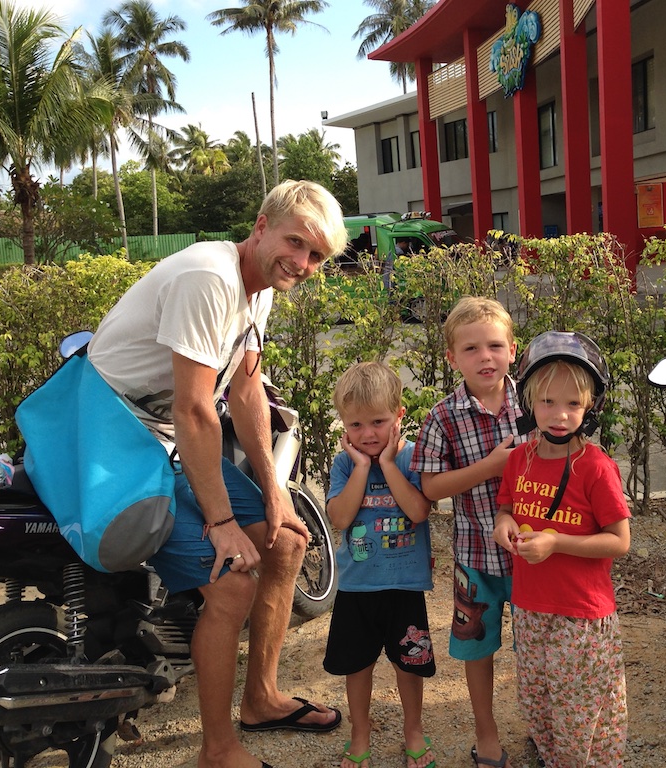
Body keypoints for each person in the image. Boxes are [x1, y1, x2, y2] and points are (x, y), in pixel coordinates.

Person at [86, 180, 348, 768]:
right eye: (295, 243)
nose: (303, 263)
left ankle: (260, 698)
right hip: (113, 443)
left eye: (317, 256)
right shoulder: (209, 276)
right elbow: (195, 409)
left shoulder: (260, 287)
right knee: (232, 580)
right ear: (260, 226)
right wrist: (223, 522)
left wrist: (274, 491)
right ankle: (218, 749)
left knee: (287, 543)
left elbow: (247, 386)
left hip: (163, 442)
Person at [493, 331, 630, 766]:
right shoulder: (520, 459)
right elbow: (505, 510)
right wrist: (505, 527)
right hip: (530, 609)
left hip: (580, 615)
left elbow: (619, 540)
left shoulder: (596, 467)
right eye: (548, 402)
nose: (559, 415)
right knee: (539, 702)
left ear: (591, 407)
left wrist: (556, 543)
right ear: (529, 402)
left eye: (573, 404)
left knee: (580, 714)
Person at [410, 296, 528, 768]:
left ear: (513, 350)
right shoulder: (442, 416)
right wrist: (490, 466)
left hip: (535, 557)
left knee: (538, 647)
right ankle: (487, 731)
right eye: (472, 348)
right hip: (476, 556)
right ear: (451, 358)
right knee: (477, 649)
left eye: (495, 345)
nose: (486, 357)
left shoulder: (538, 403)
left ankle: (542, 724)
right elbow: (432, 486)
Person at [323, 362, 436, 768]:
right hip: (357, 587)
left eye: (378, 421)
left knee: (409, 663)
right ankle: (360, 732)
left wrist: (387, 464)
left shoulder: (410, 458)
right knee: (358, 665)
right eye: (355, 425)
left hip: (404, 585)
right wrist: (362, 467)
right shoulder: (343, 465)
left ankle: (414, 731)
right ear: (343, 426)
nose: (367, 434)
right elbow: (339, 518)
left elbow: (419, 511)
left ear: (399, 417)